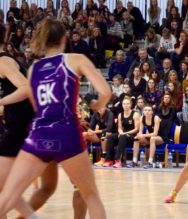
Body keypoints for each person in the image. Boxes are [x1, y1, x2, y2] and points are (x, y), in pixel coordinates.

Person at [0, 19, 111, 219]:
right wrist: (97, 105)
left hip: (38, 135)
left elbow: (37, 106)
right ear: (63, 38)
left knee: (8, 196)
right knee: (91, 195)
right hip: (67, 134)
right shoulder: (76, 59)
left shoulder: (34, 68)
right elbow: (105, 92)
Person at [0, 23, 37, 219]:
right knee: (5, 188)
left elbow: (26, 88)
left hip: (20, 126)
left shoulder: (3, 62)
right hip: (17, 123)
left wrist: (2, 101)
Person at [103, 97, 140, 168]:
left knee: (123, 136)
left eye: (127, 104)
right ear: (122, 105)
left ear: (130, 105)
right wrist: (121, 132)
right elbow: (119, 128)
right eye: (124, 104)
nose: (126, 105)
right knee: (111, 137)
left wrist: (124, 133)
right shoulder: (120, 115)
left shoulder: (135, 114)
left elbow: (136, 129)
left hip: (132, 136)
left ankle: (118, 160)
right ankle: (109, 160)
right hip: (123, 135)